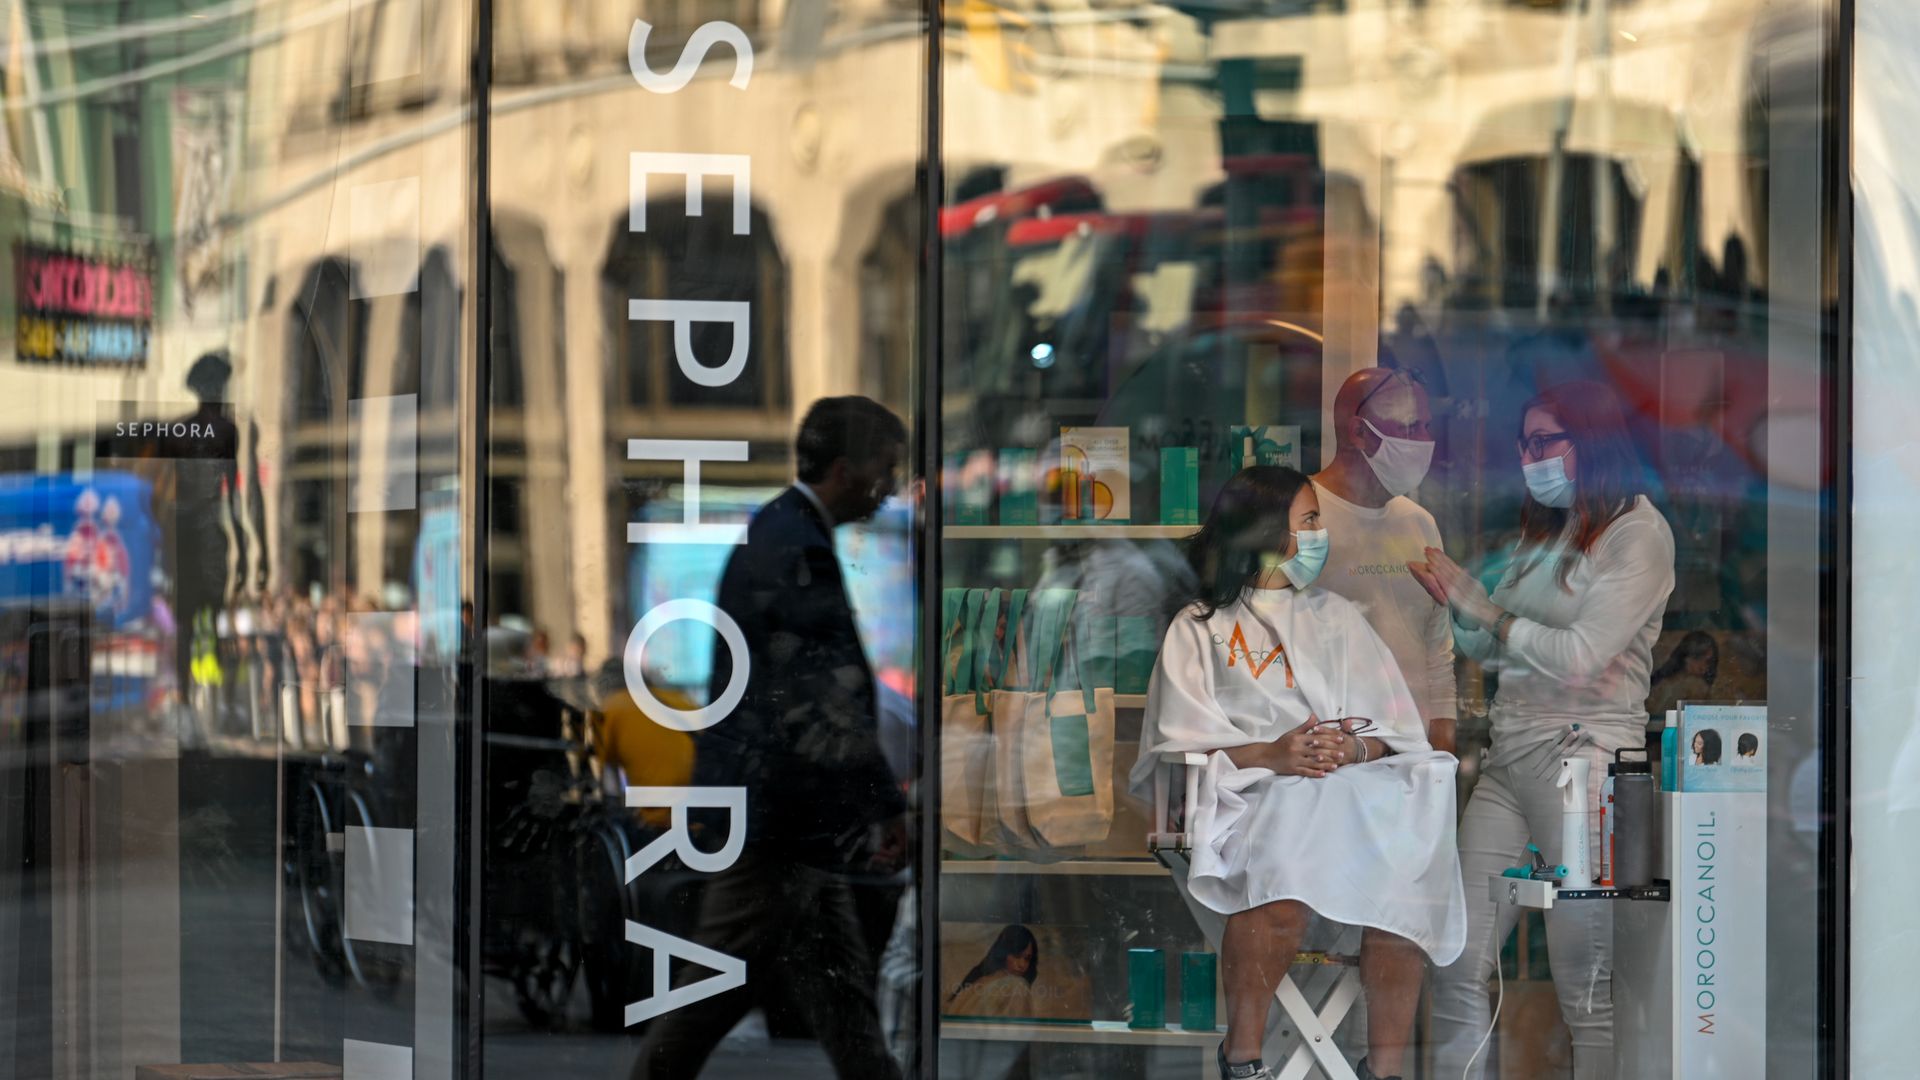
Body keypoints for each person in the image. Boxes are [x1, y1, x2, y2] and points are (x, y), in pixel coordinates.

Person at [1130, 466, 1466, 1080]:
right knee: (1292, 819)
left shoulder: (1338, 615)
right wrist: (1275, 756)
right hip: (1251, 790)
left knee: (1412, 845)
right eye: (1308, 520)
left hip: (1347, 783)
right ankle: (1245, 1057)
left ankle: (1385, 1070)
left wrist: (1351, 751)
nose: (1321, 532)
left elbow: (1393, 734)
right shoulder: (1201, 626)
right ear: (1265, 532)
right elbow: (1175, 748)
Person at [635, 396, 909, 1080]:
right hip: (777, 820)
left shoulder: (784, 533)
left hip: (784, 817)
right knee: (716, 985)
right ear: (846, 470)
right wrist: (882, 804)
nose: (893, 486)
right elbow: (826, 697)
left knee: (840, 992)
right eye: (885, 468)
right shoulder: (796, 547)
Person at [1410, 381, 1676, 1080]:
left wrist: (1488, 613)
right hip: (1511, 755)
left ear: (1589, 439)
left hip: (1587, 764)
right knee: (1457, 963)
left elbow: (1583, 654)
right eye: (1524, 445)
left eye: (1544, 442)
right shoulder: (1551, 531)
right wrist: (1464, 609)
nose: (1530, 459)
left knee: (1584, 986)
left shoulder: (1638, 534)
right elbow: (1503, 652)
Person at [1311, 367, 1457, 753]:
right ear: (1359, 432)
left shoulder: (1419, 523)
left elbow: (1437, 647)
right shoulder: (1303, 517)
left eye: (1427, 426)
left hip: (1412, 752)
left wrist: (1442, 742)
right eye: (1411, 428)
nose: (1427, 441)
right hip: (1329, 755)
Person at [945, 925, 1039, 1018]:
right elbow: (1022, 1030)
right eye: (1017, 956)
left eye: (1027, 958)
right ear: (1004, 953)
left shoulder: (977, 981)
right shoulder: (1017, 985)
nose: (1022, 964)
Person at [1647, 629, 1718, 717]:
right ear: (1686, 657)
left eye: (1708, 662)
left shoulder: (1699, 688)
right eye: (1699, 657)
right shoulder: (1661, 685)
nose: (1703, 666)